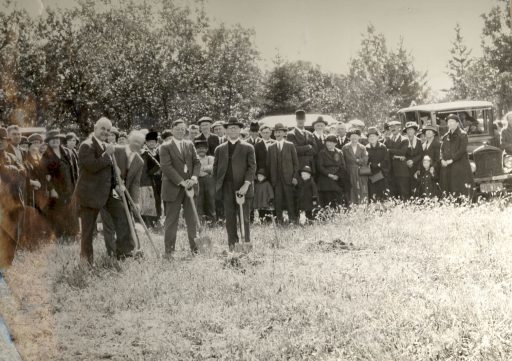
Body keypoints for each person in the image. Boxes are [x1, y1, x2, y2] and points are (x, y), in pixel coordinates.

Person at [76, 117, 134, 264]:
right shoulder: (86, 146)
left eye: (108, 130)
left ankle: (123, 254)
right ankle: (86, 263)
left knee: (123, 217)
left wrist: (117, 184)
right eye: (103, 128)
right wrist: (107, 154)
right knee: (88, 232)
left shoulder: (106, 146)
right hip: (89, 195)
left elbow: (110, 170)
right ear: (95, 128)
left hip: (107, 193)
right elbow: (92, 166)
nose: (105, 132)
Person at [213, 117, 256, 251]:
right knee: (230, 217)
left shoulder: (248, 147)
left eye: (236, 128)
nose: (233, 130)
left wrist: (246, 184)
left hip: (243, 186)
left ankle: (246, 243)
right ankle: (232, 244)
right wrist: (218, 185)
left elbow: (252, 167)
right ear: (226, 130)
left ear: (240, 130)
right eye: (230, 128)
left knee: (244, 217)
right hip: (226, 187)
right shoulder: (220, 149)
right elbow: (215, 169)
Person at [160, 119, 200, 257]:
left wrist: (194, 178)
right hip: (173, 188)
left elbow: (197, 162)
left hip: (190, 187)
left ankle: (195, 249)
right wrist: (182, 182)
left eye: (183, 129)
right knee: (171, 220)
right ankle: (169, 251)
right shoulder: (165, 147)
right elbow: (166, 167)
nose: (181, 131)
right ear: (172, 130)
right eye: (178, 129)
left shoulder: (189, 144)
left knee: (192, 219)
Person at [100, 131, 144, 257]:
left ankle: (125, 251)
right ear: (129, 140)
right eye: (134, 141)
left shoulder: (139, 161)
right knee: (110, 223)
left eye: (139, 143)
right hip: (107, 191)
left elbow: (135, 183)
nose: (136, 145)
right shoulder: (116, 150)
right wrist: (115, 183)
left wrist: (135, 202)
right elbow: (103, 167)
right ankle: (112, 252)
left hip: (124, 194)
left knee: (126, 219)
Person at [41, 129, 79, 242]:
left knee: (72, 211)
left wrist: (77, 185)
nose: (55, 141)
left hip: (71, 186)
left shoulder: (68, 152)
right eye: (52, 140)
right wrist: (51, 189)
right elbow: (45, 175)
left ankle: (74, 235)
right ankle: (61, 236)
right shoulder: (45, 156)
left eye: (56, 139)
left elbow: (75, 170)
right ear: (48, 142)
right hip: (57, 189)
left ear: (60, 140)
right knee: (59, 211)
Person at [0, 127, 26, 268]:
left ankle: (8, 263)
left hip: (15, 201)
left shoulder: (10, 156)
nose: (1, 143)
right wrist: (13, 170)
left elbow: (23, 172)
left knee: (13, 234)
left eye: (3, 140)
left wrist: (14, 170)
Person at [267, 123, 299, 224]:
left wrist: (294, 177)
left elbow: (296, 163)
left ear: (284, 133)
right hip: (276, 180)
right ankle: (279, 220)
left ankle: (292, 219)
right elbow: (268, 165)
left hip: (288, 178)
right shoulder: (271, 147)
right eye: (276, 132)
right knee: (278, 201)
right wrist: (272, 179)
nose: (277, 134)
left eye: (280, 132)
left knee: (290, 199)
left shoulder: (290, 145)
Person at [439, 114, 475, 200]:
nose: (450, 124)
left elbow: (461, 151)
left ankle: (463, 203)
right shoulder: (445, 136)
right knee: (448, 186)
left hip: (460, 165)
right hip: (447, 166)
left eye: (452, 122)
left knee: (460, 187)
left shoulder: (463, 135)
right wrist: (442, 160)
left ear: (457, 123)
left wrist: (451, 160)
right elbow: (441, 149)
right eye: (448, 122)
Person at [316, 134, 347, 209]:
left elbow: (343, 166)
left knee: (338, 198)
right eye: (327, 142)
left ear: (335, 143)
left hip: (337, 179)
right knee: (327, 199)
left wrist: (338, 176)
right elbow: (320, 167)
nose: (329, 144)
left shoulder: (339, 152)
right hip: (325, 178)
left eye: (331, 142)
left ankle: (337, 214)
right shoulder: (322, 153)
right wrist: (329, 175)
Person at [384, 120, 410, 200]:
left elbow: (402, 152)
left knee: (403, 191)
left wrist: (389, 150)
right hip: (391, 170)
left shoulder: (404, 139)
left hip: (401, 170)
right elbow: (384, 152)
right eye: (391, 127)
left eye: (395, 126)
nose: (393, 128)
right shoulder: (387, 140)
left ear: (399, 128)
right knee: (393, 192)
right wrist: (395, 154)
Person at [343, 129, 369, 204]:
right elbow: (343, 160)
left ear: (359, 137)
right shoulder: (345, 147)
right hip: (349, 170)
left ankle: (362, 204)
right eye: (352, 136)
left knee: (361, 187)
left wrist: (358, 161)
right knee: (351, 187)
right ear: (349, 138)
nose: (354, 138)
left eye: (356, 136)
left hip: (360, 170)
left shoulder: (362, 147)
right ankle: (352, 204)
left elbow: (365, 159)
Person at [24, 133, 48, 212]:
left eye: (38, 143)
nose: (36, 145)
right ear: (29, 144)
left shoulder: (39, 156)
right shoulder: (25, 156)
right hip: (31, 191)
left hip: (42, 190)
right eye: (34, 143)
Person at [366, 127, 390, 202]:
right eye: (370, 136)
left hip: (381, 173)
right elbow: (365, 161)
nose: (372, 138)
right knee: (373, 195)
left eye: (374, 136)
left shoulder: (382, 147)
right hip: (371, 174)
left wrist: (379, 165)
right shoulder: (366, 148)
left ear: (377, 137)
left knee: (383, 194)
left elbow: (386, 160)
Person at [195, 139, 216, 223]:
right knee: (199, 200)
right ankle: (201, 221)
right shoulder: (194, 158)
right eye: (199, 148)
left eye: (203, 148)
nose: (201, 150)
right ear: (196, 150)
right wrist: (205, 169)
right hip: (197, 181)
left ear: (207, 149)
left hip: (209, 181)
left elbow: (212, 167)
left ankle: (212, 220)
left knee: (211, 199)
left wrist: (200, 168)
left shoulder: (210, 158)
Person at [144, 130, 162, 226]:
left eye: (153, 142)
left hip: (158, 179)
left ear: (156, 143)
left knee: (158, 198)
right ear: (146, 143)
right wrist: (150, 173)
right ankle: (149, 220)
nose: (151, 143)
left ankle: (158, 218)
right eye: (149, 142)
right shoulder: (145, 153)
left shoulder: (157, 152)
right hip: (149, 179)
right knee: (151, 198)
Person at [403, 122, 423, 196]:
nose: (410, 131)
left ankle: (416, 198)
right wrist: (407, 161)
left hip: (416, 165)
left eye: (411, 129)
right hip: (405, 166)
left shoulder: (418, 141)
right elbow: (402, 153)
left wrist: (413, 161)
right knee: (406, 183)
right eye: (408, 129)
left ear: (414, 131)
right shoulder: (403, 140)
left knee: (415, 182)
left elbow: (421, 154)